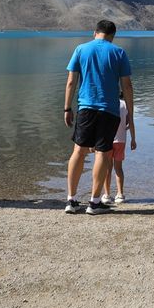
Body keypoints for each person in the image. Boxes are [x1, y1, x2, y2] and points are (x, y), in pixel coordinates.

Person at [64, 19, 136, 215]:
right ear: (112, 36)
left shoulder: (81, 49)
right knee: (102, 153)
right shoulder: (118, 52)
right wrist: (130, 112)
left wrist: (67, 108)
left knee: (78, 151)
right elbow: (127, 87)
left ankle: (71, 200)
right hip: (109, 110)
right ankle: (94, 203)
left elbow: (71, 81)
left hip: (85, 108)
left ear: (94, 32)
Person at [101, 94, 130, 204]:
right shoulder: (124, 104)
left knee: (108, 169)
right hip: (121, 140)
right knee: (119, 168)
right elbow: (127, 121)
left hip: (108, 140)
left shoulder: (106, 104)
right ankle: (120, 194)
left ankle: (107, 195)